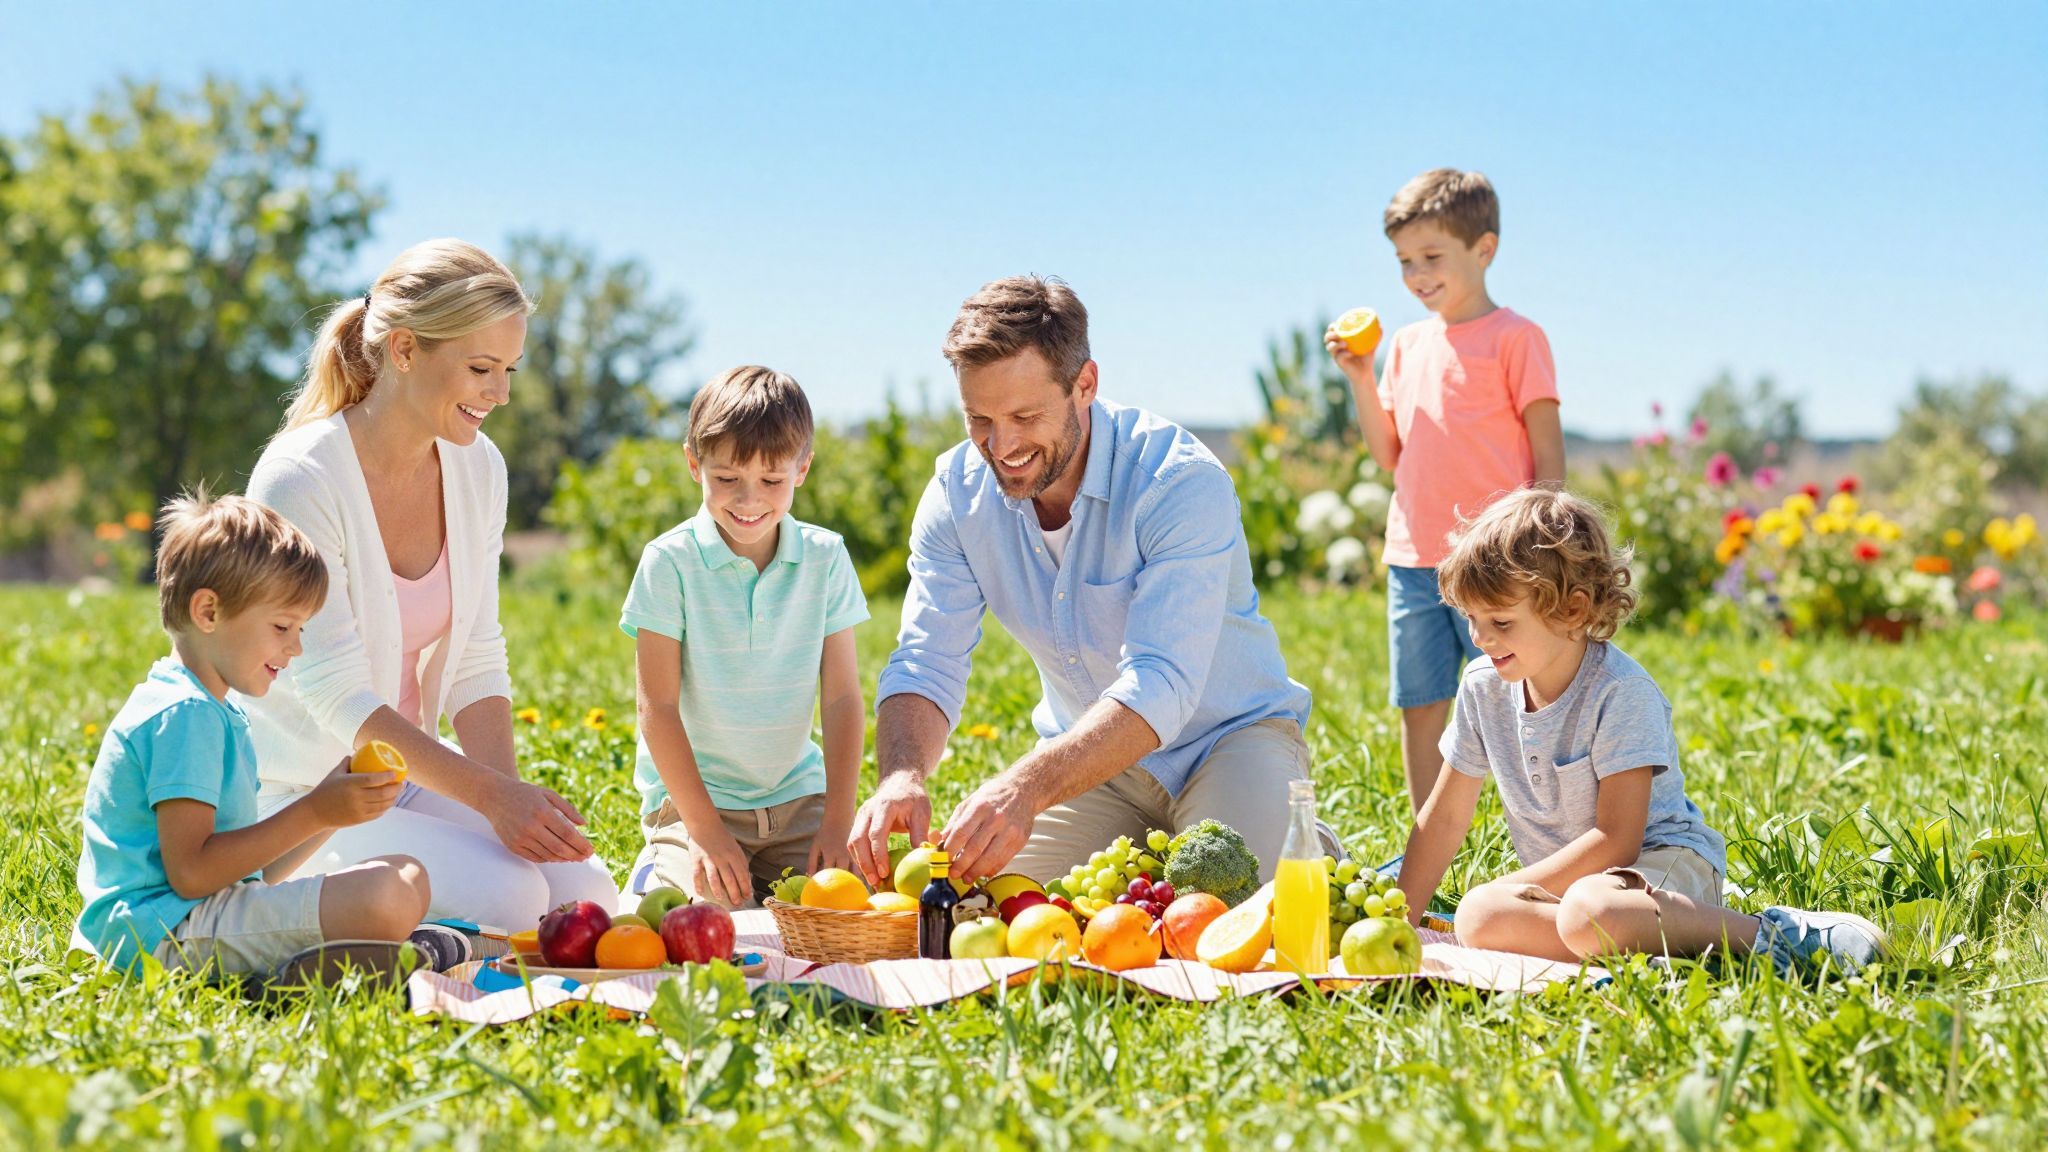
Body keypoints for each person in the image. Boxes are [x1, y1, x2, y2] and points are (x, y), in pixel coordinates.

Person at [849, 275, 1319, 888]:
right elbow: (924, 661)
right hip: (1091, 768)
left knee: (1233, 906)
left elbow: (1163, 683)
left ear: (1085, 385)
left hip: (1226, 741)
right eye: (980, 419)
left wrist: (1024, 785)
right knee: (970, 899)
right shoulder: (956, 497)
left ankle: (1301, 834)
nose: (1002, 445)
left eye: (1025, 415)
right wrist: (901, 777)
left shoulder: (1178, 483)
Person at [239, 239, 615, 931]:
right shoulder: (302, 478)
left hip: (403, 779)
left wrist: (506, 807)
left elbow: (476, 653)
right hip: (305, 797)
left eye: (509, 370)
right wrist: (490, 802)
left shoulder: (479, 469)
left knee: (582, 893)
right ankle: (286, 899)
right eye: (480, 368)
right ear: (405, 351)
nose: (500, 394)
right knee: (516, 902)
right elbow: (336, 693)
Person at [1395, 488, 1886, 973]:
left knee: (1593, 912)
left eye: (1500, 620)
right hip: (1571, 890)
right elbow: (1443, 819)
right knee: (1481, 917)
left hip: (1661, 865)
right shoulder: (1483, 687)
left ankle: (1776, 936)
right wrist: (1400, 920)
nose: (1480, 639)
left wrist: (1514, 884)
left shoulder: (1620, 691)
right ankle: (1663, 952)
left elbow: (1617, 840)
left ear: (1572, 610)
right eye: (1471, 619)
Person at [75, 493, 436, 974]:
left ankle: (323, 967)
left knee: (407, 878)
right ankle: (309, 972)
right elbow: (193, 873)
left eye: (302, 629)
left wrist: (332, 812)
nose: (296, 647)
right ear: (208, 612)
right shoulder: (185, 714)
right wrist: (314, 809)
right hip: (158, 934)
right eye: (283, 626)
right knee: (387, 895)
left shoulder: (215, 710)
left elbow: (251, 873)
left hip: (197, 915)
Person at [1325, 168, 1567, 812]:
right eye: (1405, 260)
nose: (1416, 274)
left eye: (1432, 257)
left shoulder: (1517, 338)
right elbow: (1388, 453)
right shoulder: (1404, 346)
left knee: (1523, 695)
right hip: (1413, 558)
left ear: (1483, 250)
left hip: (1498, 563)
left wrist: (1542, 548)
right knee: (1420, 700)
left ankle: (1543, 821)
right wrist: (1358, 374)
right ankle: (1428, 839)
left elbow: (1548, 450)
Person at [620, 366, 869, 907]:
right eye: (727, 478)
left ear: (802, 468)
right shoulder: (670, 562)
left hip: (800, 802)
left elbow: (844, 697)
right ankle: (661, 866)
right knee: (702, 924)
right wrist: (707, 834)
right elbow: (656, 708)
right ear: (694, 463)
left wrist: (836, 823)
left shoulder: (825, 558)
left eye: (772, 481)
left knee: (852, 910)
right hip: (697, 806)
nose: (750, 499)